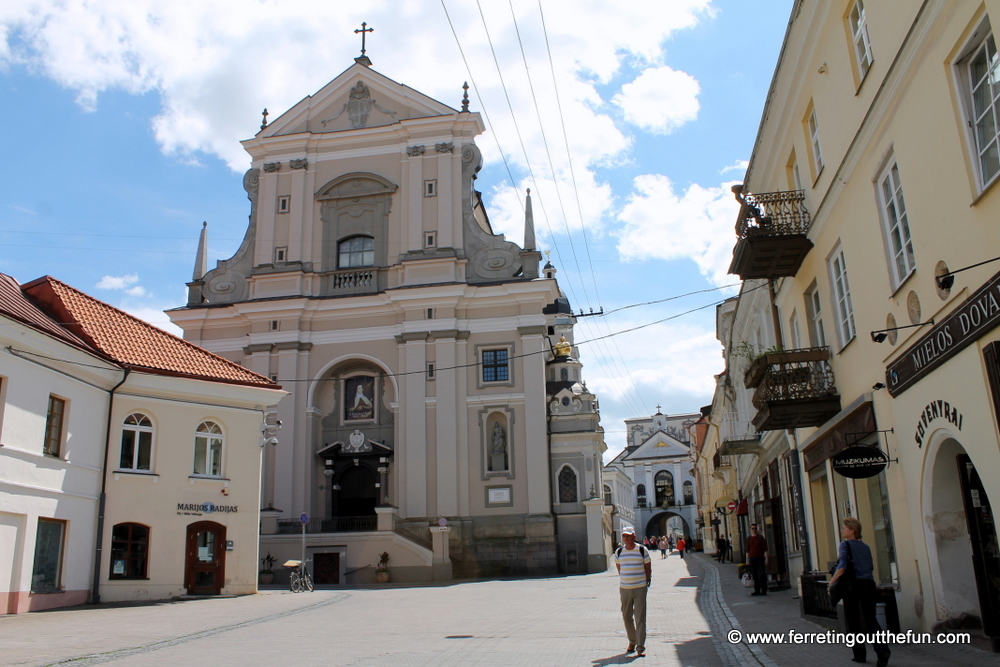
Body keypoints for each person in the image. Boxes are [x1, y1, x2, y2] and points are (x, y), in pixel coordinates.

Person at [829, 518, 890, 667]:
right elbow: (870, 567)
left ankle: (859, 654)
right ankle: (882, 651)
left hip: (852, 585)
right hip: (868, 584)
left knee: (854, 620)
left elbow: (842, 566)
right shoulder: (865, 547)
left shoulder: (845, 545)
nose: (842, 530)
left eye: (845, 528)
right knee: (870, 619)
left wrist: (831, 582)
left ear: (852, 531)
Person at [614, 526, 651, 657]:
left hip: (640, 588)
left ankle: (640, 647)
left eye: (628, 535)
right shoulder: (619, 552)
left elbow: (648, 568)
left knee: (640, 618)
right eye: (624, 535)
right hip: (625, 589)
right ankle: (632, 641)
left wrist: (646, 581)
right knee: (626, 616)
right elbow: (620, 570)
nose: (626, 538)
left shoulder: (642, 550)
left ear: (634, 536)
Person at [747, 523, 768, 596]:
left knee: (762, 574)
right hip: (752, 558)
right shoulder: (749, 538)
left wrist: (766, 559)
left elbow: (765, 549)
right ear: (750, 529)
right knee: (754, 575)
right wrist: (747, 560)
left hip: (760, 558)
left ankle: (764, 590)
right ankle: (757, 590)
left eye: (755, 528)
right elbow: (747, 550)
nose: (754, 530)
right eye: (753, 528)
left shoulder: (760, 537)